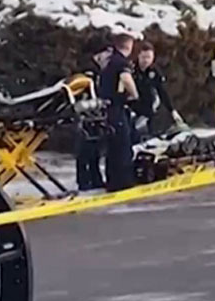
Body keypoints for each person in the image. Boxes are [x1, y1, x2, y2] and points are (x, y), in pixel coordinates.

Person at [99, 33, 139, 192]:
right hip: (116, 107)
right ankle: (123, 182)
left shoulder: (108, 61)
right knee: (123, 144)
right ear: (129, 46)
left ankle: (112, 181)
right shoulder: (121, 62)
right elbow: (126, 79)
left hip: (106, 108)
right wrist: (134, 95)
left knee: (113, 146)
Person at [75, 43, 112, 191]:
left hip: (95, 113)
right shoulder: (89, 70)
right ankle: (84, 180)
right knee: (85, 149)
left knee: (95, 148)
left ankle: (95, 178)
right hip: (86, 114)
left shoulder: (102, 70)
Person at [132, 41, 184, 139]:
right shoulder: (131, 69)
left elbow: (163, 92)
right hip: (133, 106)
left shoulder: (155, 72)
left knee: (149, 134)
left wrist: (172, 110)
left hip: (149, 108)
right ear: (138, 56)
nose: (146, 61)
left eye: (149, 57)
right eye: (143, 57)